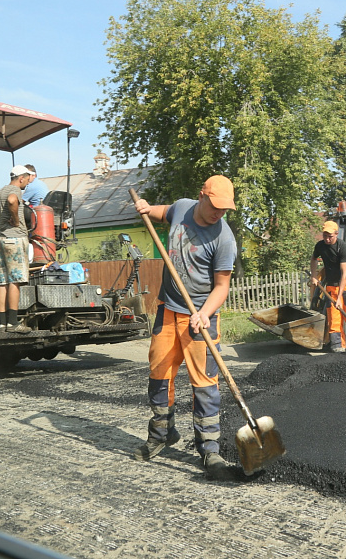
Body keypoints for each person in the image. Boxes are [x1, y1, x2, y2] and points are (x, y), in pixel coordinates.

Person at [132, 175, 238, 479]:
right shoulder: (182, 208)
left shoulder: (224, 238)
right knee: (159, 373)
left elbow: (221, 287)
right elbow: (161, 212)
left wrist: (204, 312)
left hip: (201, 316)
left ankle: (209, 448)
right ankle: (161, 434)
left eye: (224, 209)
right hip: (168, 308)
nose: (219, 213)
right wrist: (145, 207)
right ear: (201, 196)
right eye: (215, 206)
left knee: (204, 381)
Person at [0, 165, 32, 333]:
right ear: (21, 178)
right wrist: (15, 219)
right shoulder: (15, 191)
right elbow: (12, 201)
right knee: (15, 282)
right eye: (26, 181)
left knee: (2, 283)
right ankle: (13, 323)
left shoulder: (0, 191)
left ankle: (2, 323)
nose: (26, 184)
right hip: (14, 240)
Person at [310, 220, 346, 352]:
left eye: (330, 236)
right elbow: (313, 259)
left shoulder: (342, 247)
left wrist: (339, 297)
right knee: (334, 318)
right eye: (325, 235)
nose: (327, 239)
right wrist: (314, 276)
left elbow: (344, 274)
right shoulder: (320, 246)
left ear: (336, 234)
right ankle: (338, 347)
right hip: (331, 286)